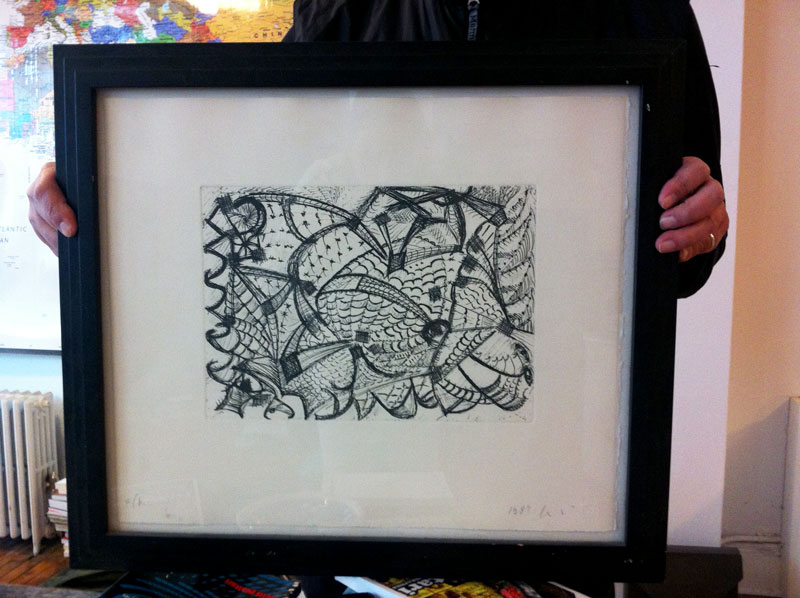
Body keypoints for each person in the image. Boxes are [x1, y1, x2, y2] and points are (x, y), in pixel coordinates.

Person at [24, 1, 729, 595]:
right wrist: (108, 193)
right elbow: (252, 161)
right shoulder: (336, 4)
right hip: (355, 470)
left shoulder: (643, 8)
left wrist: (699, 227)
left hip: (553, 463)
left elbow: (680, 250)